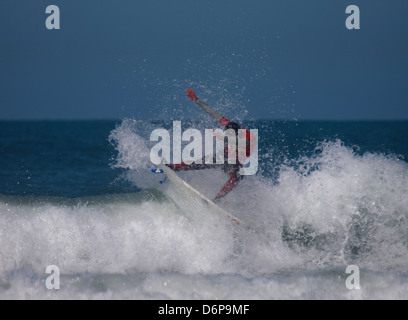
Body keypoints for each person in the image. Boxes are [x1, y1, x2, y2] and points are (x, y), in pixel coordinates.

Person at [169, 89, 256, 203]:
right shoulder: (228, 125)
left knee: (237, 176)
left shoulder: (248, 137)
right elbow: (213, 112)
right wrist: (196, 100)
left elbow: (243, 144)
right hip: (224, 156)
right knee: (196, 164)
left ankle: (217, 199)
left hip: (236, 162)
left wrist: (223, 138)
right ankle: (173, 167)